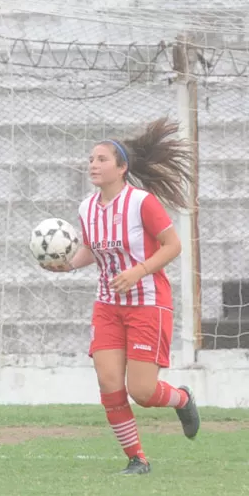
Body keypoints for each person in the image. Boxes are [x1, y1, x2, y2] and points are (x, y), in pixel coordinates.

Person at [42, 118, 201, 475]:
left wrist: (139, 271)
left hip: (148, 303)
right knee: (109, 383)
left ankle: (183, 399)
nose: (93, 165)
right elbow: (91, 251)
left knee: (142, 392)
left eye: (101, 159)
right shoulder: (87, 208)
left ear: (122, 167)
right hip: (108, 307)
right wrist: (66, 265)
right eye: (90, 159)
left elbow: (172, 246)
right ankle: (137, 459)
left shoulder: (141, 203)